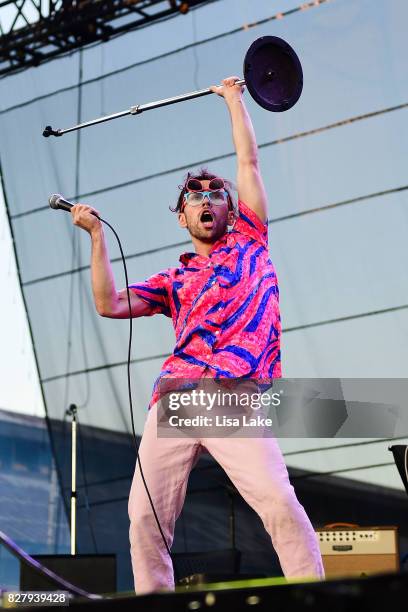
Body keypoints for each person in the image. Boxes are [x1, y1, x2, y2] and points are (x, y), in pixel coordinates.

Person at [70, 77, 324, 594]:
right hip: (177, 399)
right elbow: (109, 303)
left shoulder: (250, 240)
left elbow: (248, 163)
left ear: (229, 211)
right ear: (182, 214)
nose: (207, 199)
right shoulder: (173, 279)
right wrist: (97, 237)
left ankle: (313, 593)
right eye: (195, 196)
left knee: (276, 500)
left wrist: (233, 99)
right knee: (145, 518)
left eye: (216, 195)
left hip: (233, 396)